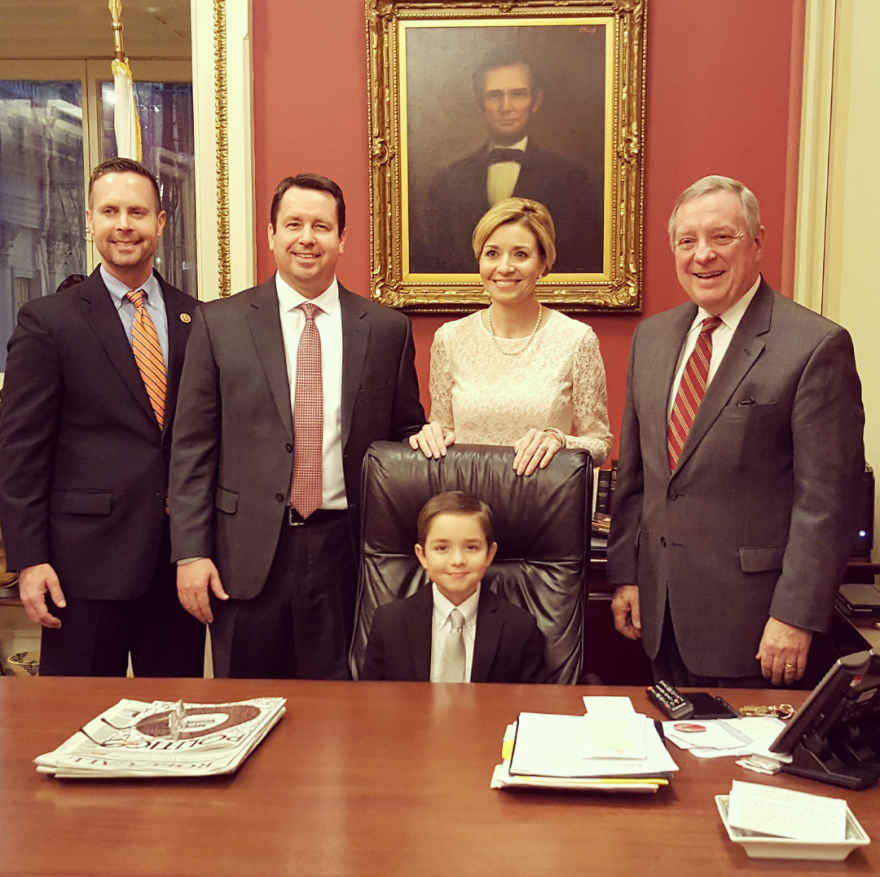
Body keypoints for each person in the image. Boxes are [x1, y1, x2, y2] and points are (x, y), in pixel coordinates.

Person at [608, 175, 865, 689]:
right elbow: (635, 474)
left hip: (758, 629)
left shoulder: (814, 346)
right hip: (661, 616)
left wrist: (795, 616)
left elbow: (828, 503)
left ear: (757, 242)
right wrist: (626, 575)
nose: (702, 254)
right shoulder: (653, 338)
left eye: (721, 237)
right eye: (687, 241)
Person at [169, 173, 426, 680]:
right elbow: (192, 449)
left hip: (346, 553)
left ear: (342, 238)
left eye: (321, 226)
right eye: (293, 224)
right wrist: (190, 553)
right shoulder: (219, 322)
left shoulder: (385, 329)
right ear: (270, 234)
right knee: (244, 708)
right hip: (243, 556)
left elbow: (404, 433)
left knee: (340, 718)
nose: (307, 238)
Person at [0, 158, 204, 676]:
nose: (124, 225)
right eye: (110, 211)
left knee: (175, 721)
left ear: (160, 222)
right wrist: (29, 559)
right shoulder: (49, 322)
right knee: (78, 730)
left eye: (138, 211)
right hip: (82, 569)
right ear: (90, 221)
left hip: (177, 564)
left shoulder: (198, 318)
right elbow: (20, 452)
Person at [410, 197, 612, 475]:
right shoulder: (449, 338)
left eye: (520, 254)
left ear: (543, 264)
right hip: (465, 505)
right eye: (492, 253)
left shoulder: (577, 340)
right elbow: (443, 430)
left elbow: (599, 444)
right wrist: (430, 436)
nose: (504, 267)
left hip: (542, 502)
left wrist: (559, 440)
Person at [412, 54, 602, 275]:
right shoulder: (447, 180)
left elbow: (582, 260)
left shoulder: (571, 178)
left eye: (518, 94)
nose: (506, 107)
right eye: (494, 96)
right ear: (479, 103)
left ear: (536, 100)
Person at [361, 491, 546, 683]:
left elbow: (531, 705)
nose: (457, 560)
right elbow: (371, 702)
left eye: (471, 547)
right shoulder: (389, 624)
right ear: (422, 555)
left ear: (490, 554)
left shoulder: (519, 628)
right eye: (442, 548)